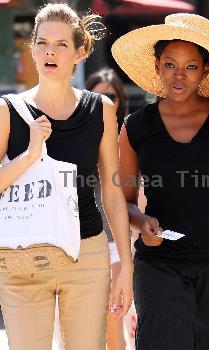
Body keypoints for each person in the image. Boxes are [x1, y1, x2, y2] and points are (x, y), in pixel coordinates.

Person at [112, 13, 209, 350]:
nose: (179, 75)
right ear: (157, 65)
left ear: (206, 71)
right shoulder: (136, 127)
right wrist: (141, 222)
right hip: (160, 266)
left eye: (191, 67)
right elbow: (121, 200)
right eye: (170, 64)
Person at [0, 4, 133, 350]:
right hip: (21, 255)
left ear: (81, 51)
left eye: (61, 44)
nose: (49, 52)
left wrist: (127, 268)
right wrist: (29, 155)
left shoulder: (101, 110)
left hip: (85, 255)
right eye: (42, 42)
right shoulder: (8, 112)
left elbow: (113, 192)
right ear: (31, 48)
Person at [85, 67, 135, 350]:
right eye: (97, 95)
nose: (105, 100)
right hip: (80, 241)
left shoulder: (128, 136)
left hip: (118, 239)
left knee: (113, 319)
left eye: (111, 96)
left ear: (120, 100)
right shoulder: (74, 133)